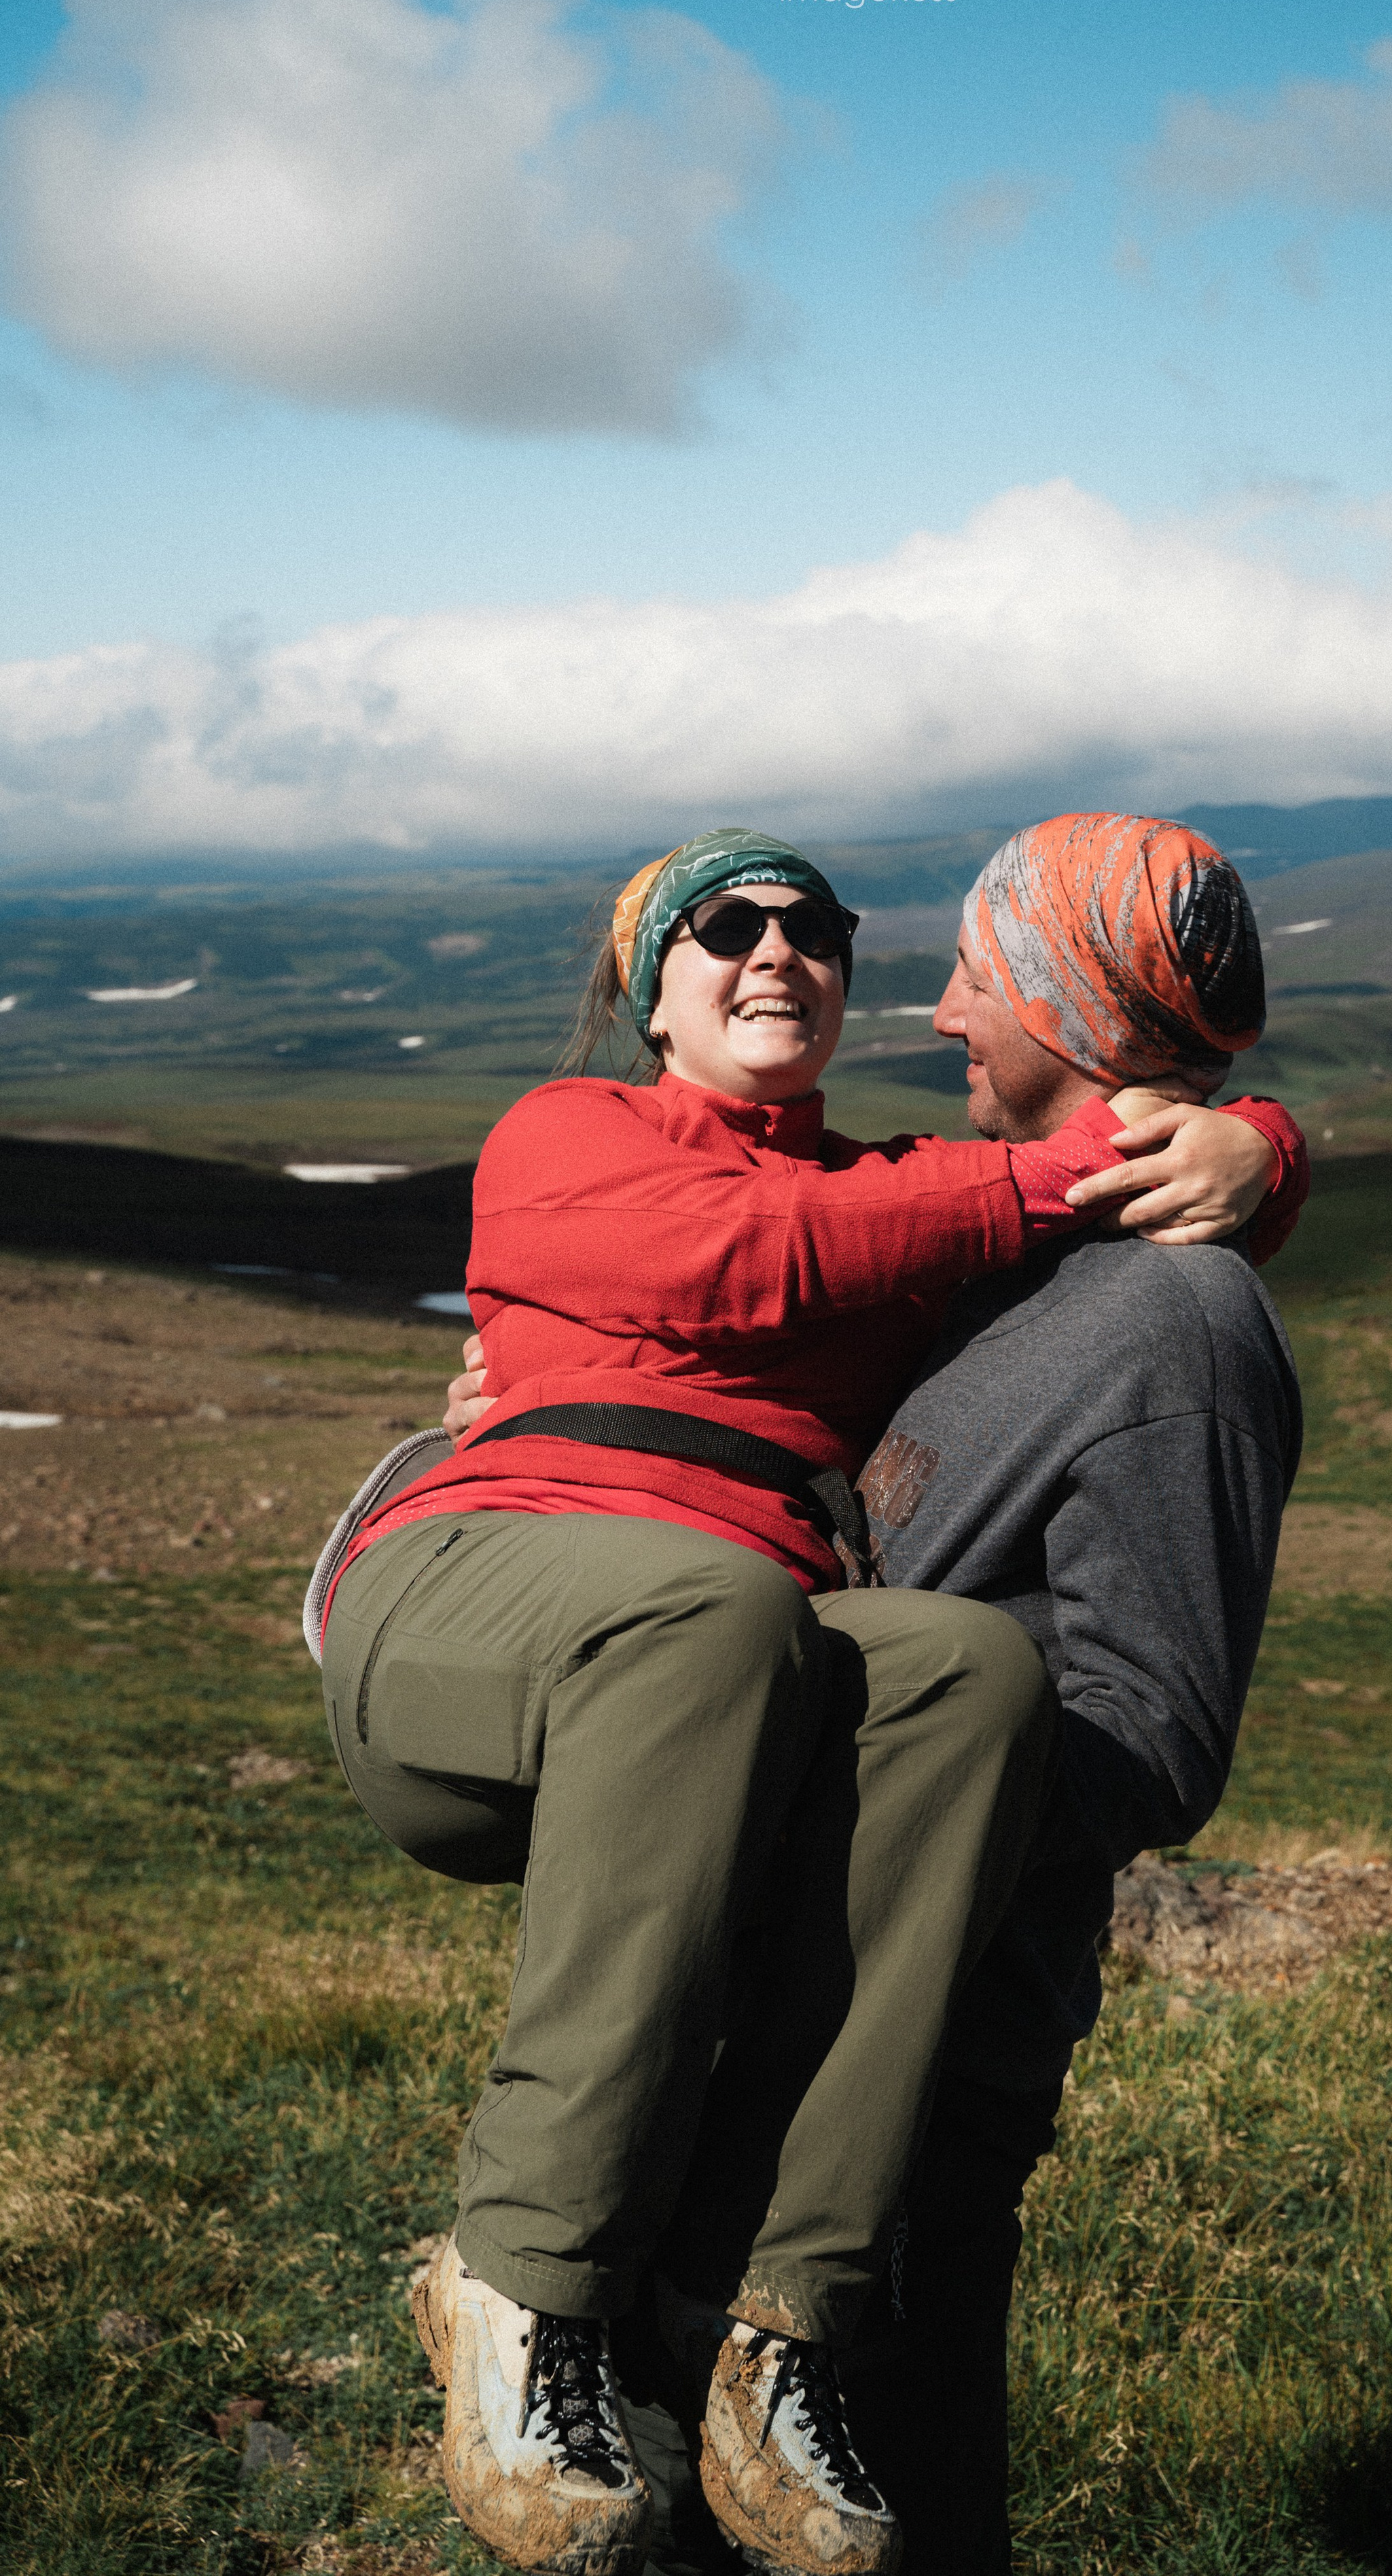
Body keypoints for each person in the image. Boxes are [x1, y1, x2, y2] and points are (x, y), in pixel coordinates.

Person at [315, 824, 1304, 2576]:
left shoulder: (905, 1196)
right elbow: (748, 1259)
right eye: (723, 925)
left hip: (713, 1670)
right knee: (722, 1607)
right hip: (496, 1594)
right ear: (651, 993)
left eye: (815, 927)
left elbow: (1147, 1267)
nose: (781, 951)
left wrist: (1259, 1144)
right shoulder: (571, 1130)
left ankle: (773, 2315)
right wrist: (1096, 1157)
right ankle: (514, 2271)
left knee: (969, 1671)